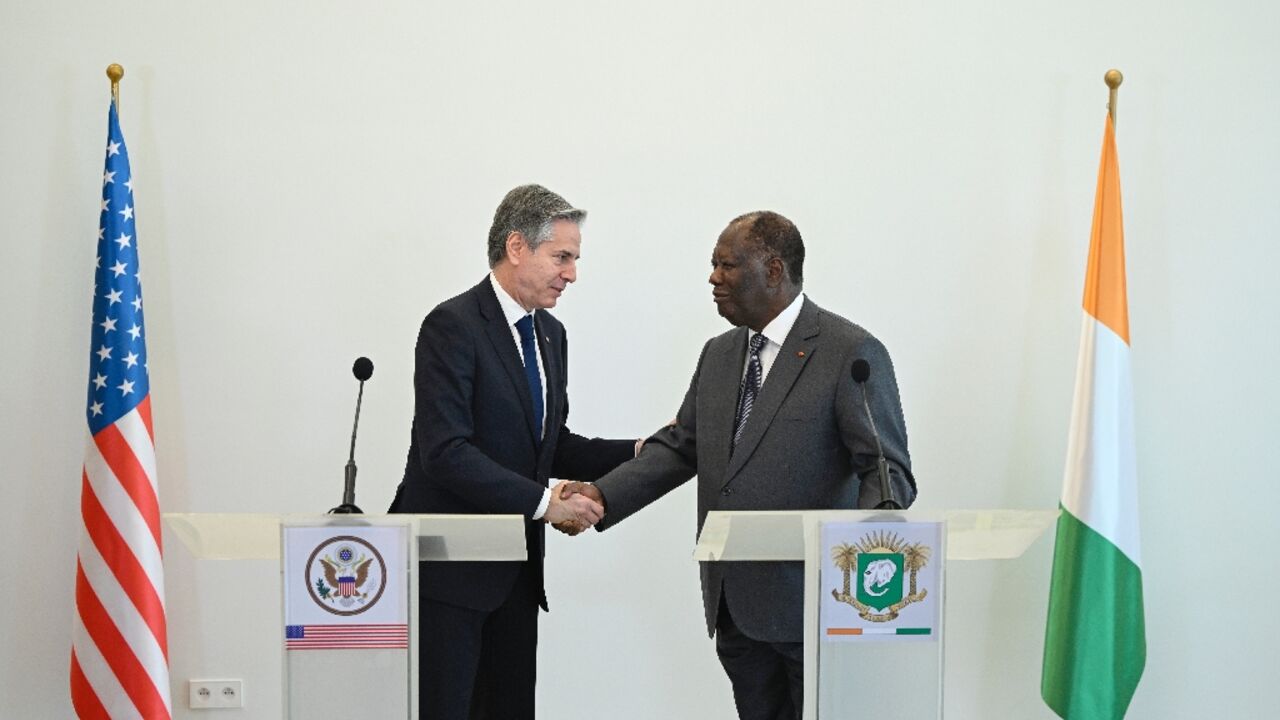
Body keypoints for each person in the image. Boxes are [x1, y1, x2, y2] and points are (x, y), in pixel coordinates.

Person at [561, 210, 916, 720]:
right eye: (713, 265)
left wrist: (862, 563)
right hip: (735, 604)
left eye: (726, 265)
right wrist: (601, 495)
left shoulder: (849, 352)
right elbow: (682, 446)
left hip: (817, 607)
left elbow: (886, 470)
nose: (713, 277)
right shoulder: (720, 354)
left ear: (773, 270)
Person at [389, 184, 639, 720]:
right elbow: (447, 451)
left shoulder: (551, 334)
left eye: (574, 259)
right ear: (518, 246)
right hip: (450, 579)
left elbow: (552, 445)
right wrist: (547, 503)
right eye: (562, 257)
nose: (571, 273)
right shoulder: (452, 326)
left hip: (516, 578)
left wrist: (644, 449)